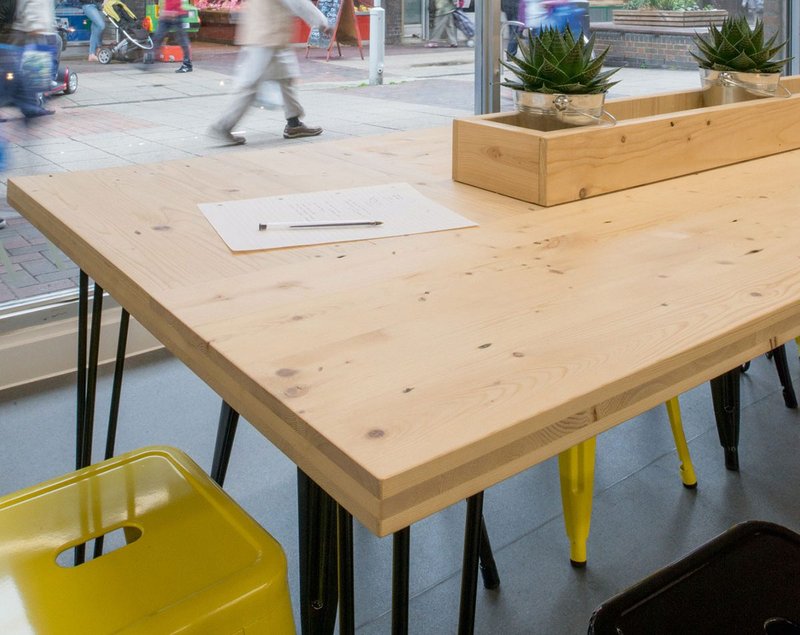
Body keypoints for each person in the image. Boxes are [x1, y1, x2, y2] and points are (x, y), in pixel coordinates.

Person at [208, 0, 330, 145]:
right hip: (268, 36)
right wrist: (322, 22)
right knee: (251, 85)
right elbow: (299, 3)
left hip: (263, 34)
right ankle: (223, 126)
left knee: (286, 78)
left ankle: (294, 123)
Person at [143, 0, 192, 73]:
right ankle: (148, 62)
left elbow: (177, 2)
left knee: (182, 40)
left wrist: (172, 12)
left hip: (176, 15)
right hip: (166, 16)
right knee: (157, 37)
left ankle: (187, 64)